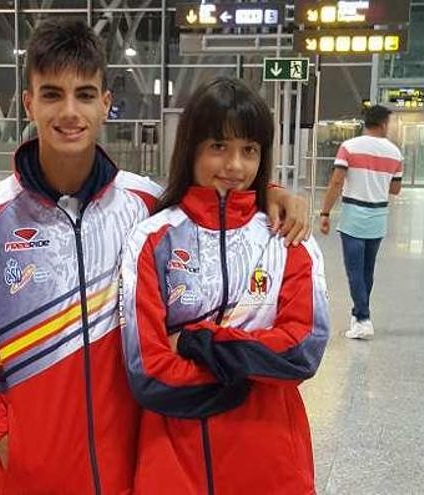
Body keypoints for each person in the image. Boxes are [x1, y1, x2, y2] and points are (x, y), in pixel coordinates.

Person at [0, 19, 310, 494]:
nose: (69, 111)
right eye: (52, 94)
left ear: (105, 103)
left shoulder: (146, 207)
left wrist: (271, 193)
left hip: (131, 471)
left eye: (84, 94)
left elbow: (215, 209)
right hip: (26, 476)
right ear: (29, 103)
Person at [120, 77, 330, 495]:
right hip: (176, 465)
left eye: (249, 150)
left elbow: (301, 351)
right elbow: (147, 371)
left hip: (270, 463)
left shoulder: (286, 238)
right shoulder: (152, 239)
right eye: (219, 146)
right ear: (191, 148)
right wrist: (251, 373)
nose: (235, 166)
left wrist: (196, 342)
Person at [319, 104, 403, 340]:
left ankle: (364, 319)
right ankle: (358, 315)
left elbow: (336, 182)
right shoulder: (395, 153)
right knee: (367, 271)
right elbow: (395, 189)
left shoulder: (349, 147)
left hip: (353, 217)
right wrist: (378, 177)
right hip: (378, 219)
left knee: (354, 271)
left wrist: (325, 213)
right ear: (384, 123)